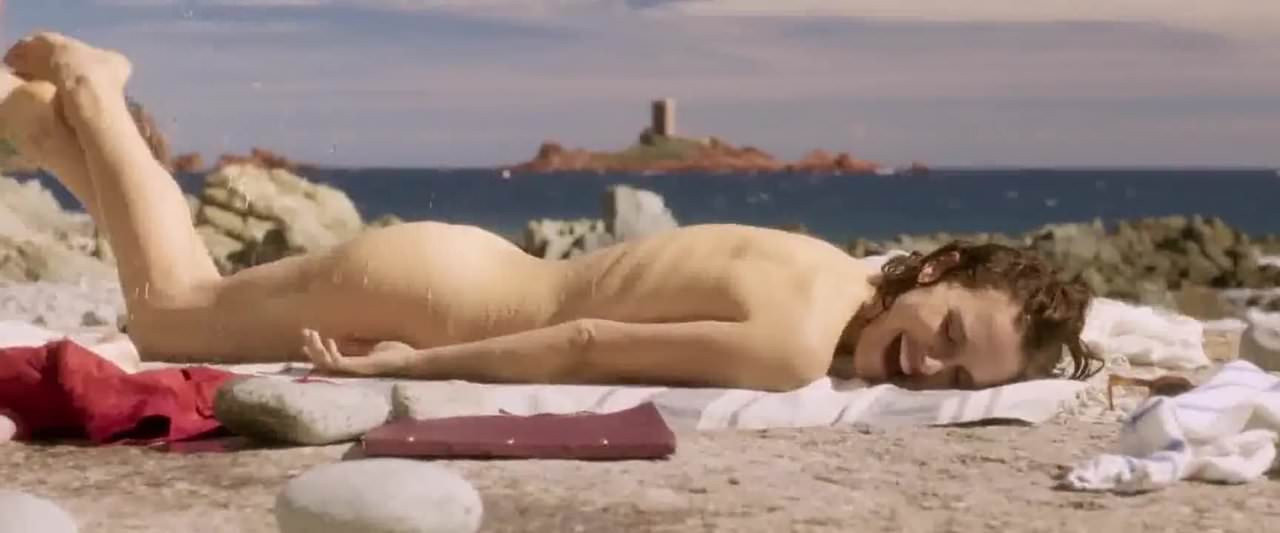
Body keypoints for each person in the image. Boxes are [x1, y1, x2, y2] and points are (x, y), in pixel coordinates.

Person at [0, 33, 1102, 392]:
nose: (929, 369)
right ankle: (95, 89)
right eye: (949, 334)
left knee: (191, 289)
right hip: (434, 305)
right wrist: (407, 369)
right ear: (936, 271)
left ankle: (45, 129)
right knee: (170, 317)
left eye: (962, 379)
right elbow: (584, 345)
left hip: (457, 269)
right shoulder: (792, 347)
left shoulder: (844, 269)